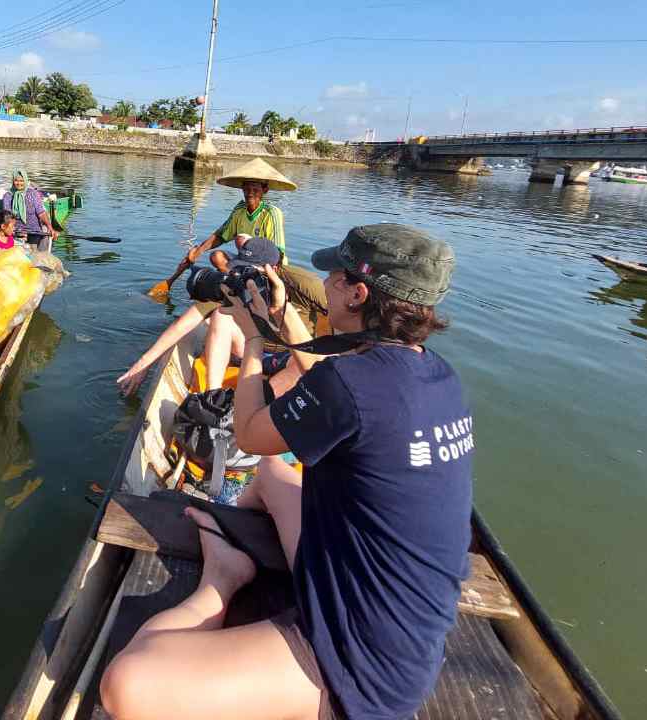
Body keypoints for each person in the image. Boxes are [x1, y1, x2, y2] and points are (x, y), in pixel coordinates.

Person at [100, 224, 472, 720]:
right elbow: (328, 380)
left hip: (361, 658)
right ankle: (245, 550)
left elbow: (252, 434)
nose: (327, 286)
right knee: (273, 474)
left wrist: (254, 341)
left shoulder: (351, 384)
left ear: (358, 294)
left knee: (126, 686)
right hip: (399, 611)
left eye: (335, 278)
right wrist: (279, 318)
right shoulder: (437, 375)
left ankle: (222, 579)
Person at [116, 255, 328, 396]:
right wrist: (143, 365)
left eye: (250, 272)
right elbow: (184, 324)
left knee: (304, 368)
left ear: (271, 270)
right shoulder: (235, 285)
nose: (244, 279)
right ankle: (212, 396)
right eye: (240, 271)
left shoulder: (302, 285)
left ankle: (259, 413)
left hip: (287, 356)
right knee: (220, 315)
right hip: (252, 353)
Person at [173, 158, 296, 279]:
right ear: (242, 188)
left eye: (255, 189)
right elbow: (221, 235)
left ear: (264, 190)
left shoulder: (272, 213)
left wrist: (267, 271)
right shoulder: (239, 210)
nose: (250, 193)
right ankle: (237, 280)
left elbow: (277, 253)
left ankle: (248, 281)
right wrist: (197, 252)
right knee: (216, 256)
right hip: (246, 261)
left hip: (269, 265)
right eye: (247, 189)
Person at [3, 168, 56, 245]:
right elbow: (6, 216)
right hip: (16, 232)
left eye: (21, 181)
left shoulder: (33, 194)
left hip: (34, 231)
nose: (19, 183)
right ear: (13, 181)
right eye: (16, 180)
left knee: (33, 250)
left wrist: (50, 227)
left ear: (26, 180)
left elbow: (41, 213)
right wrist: (15, 231)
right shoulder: (8, 196)